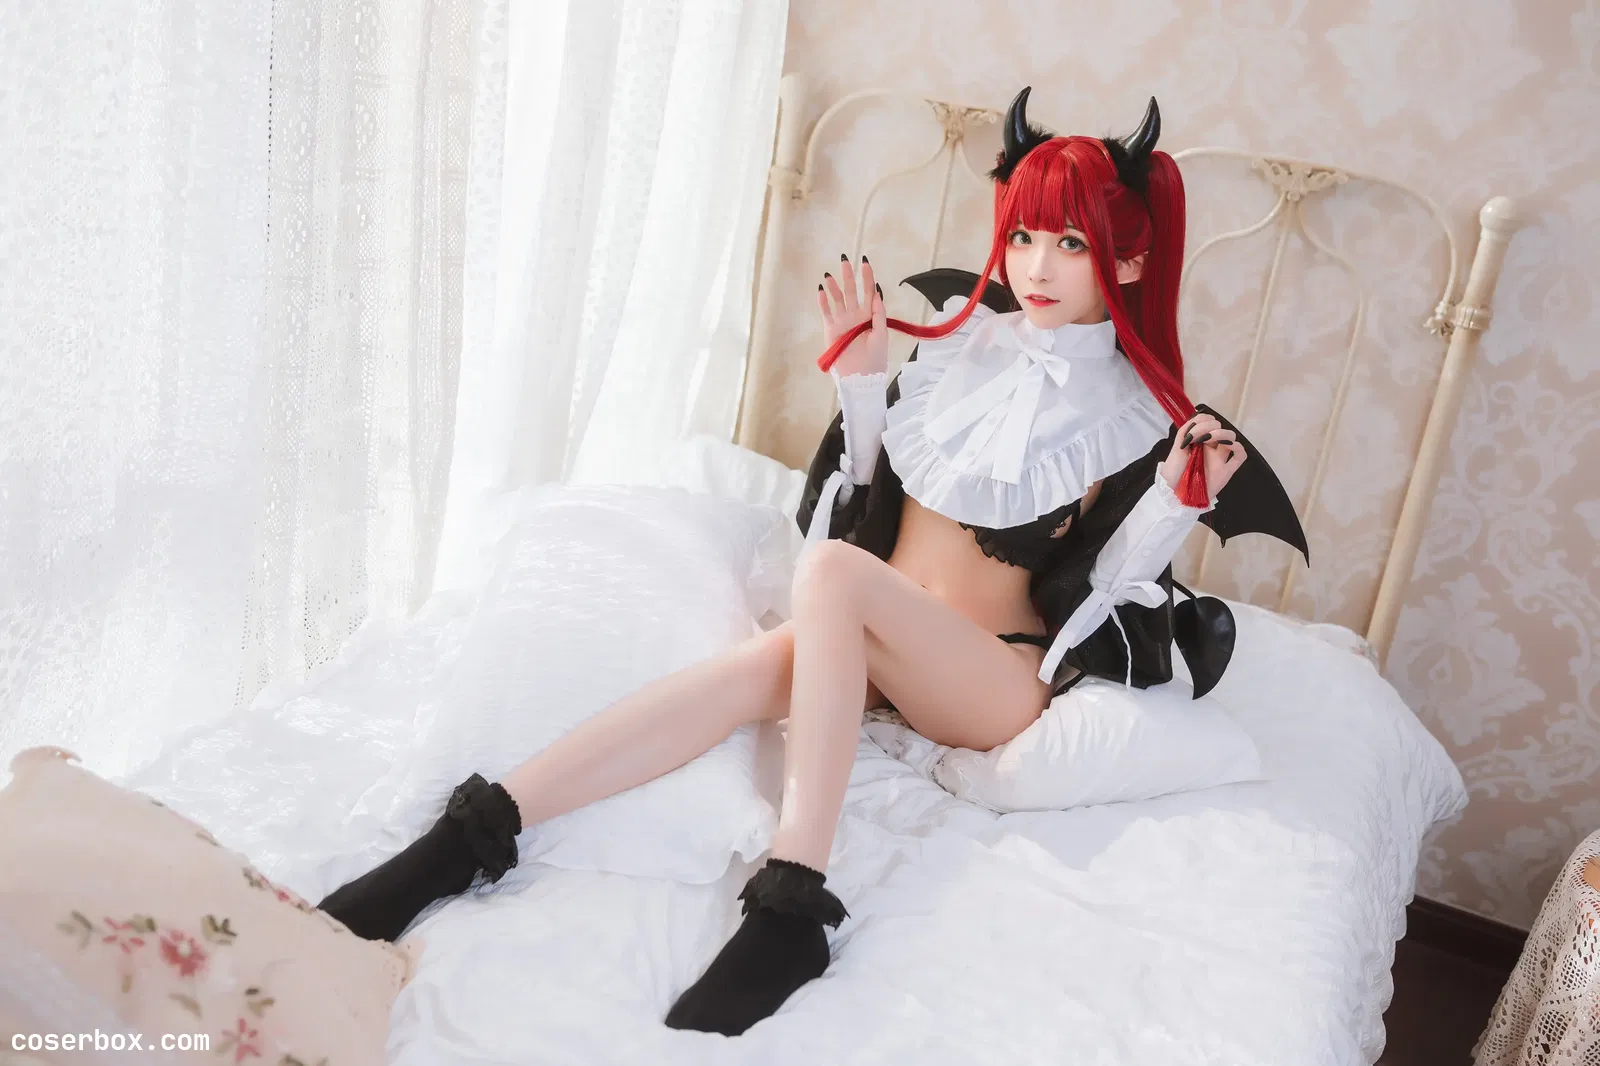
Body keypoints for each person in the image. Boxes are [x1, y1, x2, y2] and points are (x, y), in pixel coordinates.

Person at [314, 87, 1301, 1037]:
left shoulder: (1139, 413)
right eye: (1025, 235)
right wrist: (863, 385)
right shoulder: (961, 347)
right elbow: (875, 505)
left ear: (1129, 258)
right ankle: (465, 840)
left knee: (827, 576)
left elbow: (1108, 595)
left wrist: (1173, 507)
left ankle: (793, 899)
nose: (1037, 265)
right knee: (746, 670)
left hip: (989, 679)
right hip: (877, 641)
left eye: (1071, 243)